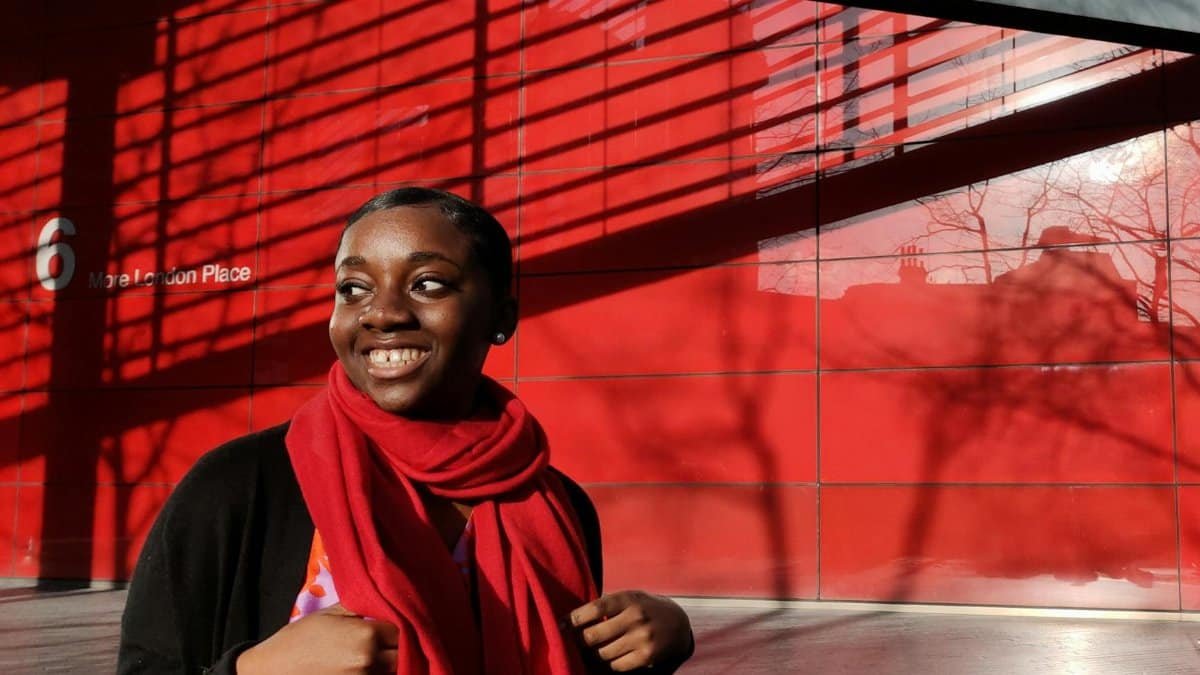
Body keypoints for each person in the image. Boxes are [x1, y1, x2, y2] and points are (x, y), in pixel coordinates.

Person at [117, 188, 695, 674]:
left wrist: (657, 644)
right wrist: (253, 669)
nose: (382, 312)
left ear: (502, 318)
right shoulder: (239, 486)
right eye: (354, 288)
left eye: (427, 284)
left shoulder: (556, 504)